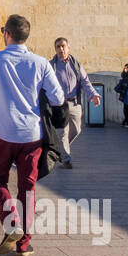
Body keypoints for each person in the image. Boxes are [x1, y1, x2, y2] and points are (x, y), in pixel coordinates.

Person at [0, 14, 65, 256]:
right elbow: (58, 98)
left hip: (2, 132)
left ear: (7, 34)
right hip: (31, 135)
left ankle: (12, 222)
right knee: (28, 187)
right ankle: (24, 244)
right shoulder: (41, 63)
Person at [49, 37, 101, 169]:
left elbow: (85, 81)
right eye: (58, 47)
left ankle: (58, 149)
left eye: (63, 46)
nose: (61, 49)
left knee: (76, 130)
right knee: (63, 133)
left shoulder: (76, 64)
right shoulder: (51, 66)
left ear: (68, 48)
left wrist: (93, 94)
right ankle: (66, 159)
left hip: (75, 103)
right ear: (55, 49)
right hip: (60, 105)